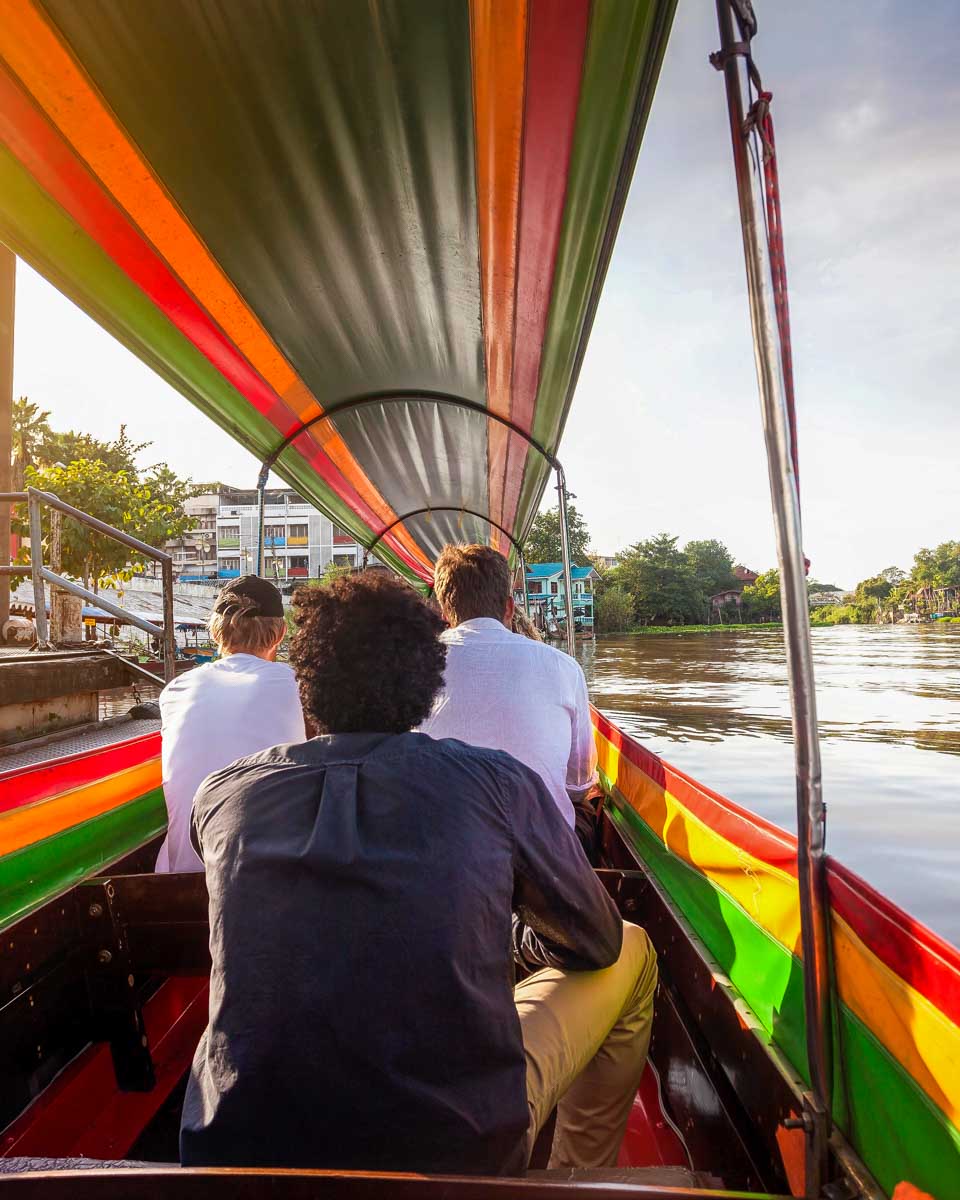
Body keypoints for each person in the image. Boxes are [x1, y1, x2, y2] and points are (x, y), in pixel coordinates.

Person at [180, 572, 657, 1175]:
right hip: (453, 1147)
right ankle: (570, 1180)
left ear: (303, 689)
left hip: (234, 1146)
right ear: (429, 688)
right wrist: (501, 931)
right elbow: (594, 942)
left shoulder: (223, 793)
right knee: (631, 951)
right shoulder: (499, 782)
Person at [419, 544, 596, 830]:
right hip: (537, 855)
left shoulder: (413, 666)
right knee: (586, 806)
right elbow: (578, 784)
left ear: (444, 613)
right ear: (509, 608)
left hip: (442, 844)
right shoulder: (563, 666)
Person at [154, 575, 304, 873]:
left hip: (179, 879)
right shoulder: (299, 686)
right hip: (264, 880)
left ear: (215, 632)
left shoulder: (175, 690)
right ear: (281, 633)